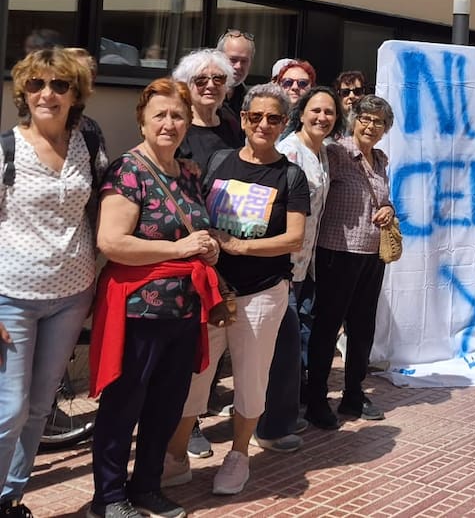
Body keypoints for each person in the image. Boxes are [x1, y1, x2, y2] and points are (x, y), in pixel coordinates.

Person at [162, 84, 309, 497]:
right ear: (243, 119)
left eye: (274, 118)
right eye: (255, 116)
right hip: (212, 289)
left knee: (251, 376)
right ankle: (176, 456)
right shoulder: (219, 161)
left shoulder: (291, 176)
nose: (263, 125)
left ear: (284, 124)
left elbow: (294, 238)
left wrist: (239, 245)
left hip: (262, 292)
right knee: (196, 375)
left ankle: (239, 455)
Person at [89, 79, 222, 518]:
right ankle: (108, 497)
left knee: (166, 405)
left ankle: (146, 485)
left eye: (177, 115)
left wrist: (208, 248)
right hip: (138, 310)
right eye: (159, 115)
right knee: (123, 404)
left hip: (183, 310)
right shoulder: (128, 171)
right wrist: (180, 250)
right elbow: (112, 242)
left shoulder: (188, 173)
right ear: (142, 121)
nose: (169, 123)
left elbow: (195, 230)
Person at [0, 49, 102, 518]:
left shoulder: (87, 145)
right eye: (36, 84)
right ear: (23, 92)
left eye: (60, 85)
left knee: (41, 406)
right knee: (9, 410)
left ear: (76, 94)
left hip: (72, 295)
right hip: (12, 298)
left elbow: (102, 204)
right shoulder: (7, 149)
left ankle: (12, 497)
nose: (47, 94)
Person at [257, 86, 344, 451]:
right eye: (316, 110)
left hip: (305, 265)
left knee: (291, 344)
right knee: (282, 348)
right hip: (282, 263)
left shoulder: (323, 152)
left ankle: (281, 414)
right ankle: (269, 426)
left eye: (329, 112)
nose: (322, 117)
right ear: (302, 113)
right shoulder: (289, 151)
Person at [305, 95, 398, 429]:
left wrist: (388, 209)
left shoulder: (381, 160)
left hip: (372, 256)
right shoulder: (336, 153)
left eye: (379, 122)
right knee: (327, 327)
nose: (371, 126)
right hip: (336, 253)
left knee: (362, 328)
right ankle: (315, 398)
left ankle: (354, 394)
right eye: (365, 118)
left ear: (386, 128)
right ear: (354, 119)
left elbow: (383, 199)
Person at [172, 49, 240, 171]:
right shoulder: (177, 127)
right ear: (186, 86)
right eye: (201, 80)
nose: (211, 85)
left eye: (218, 79)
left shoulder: (232, 122)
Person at [216, 30, 255, 118]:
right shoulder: (201, 96)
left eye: (244, 61)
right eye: (233, 60)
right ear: (218, 58)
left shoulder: (252, 102)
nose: (238, 66)